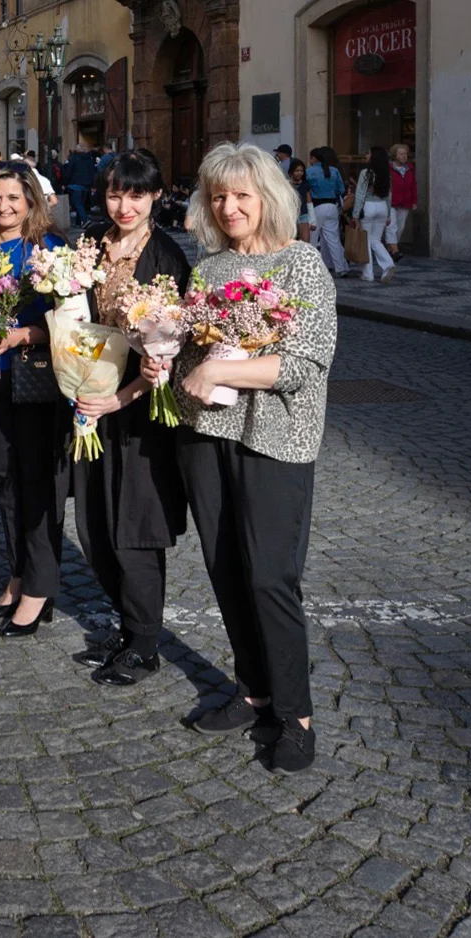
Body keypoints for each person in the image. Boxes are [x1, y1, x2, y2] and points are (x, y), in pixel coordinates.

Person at [171, 142, 337, 774]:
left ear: (267, 198)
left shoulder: (300, 264)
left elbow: (307, 361)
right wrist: (169, 356)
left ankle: (295, 715)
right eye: (218, 196)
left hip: (276, 437)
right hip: (207, 435)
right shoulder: (208, 268)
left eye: (242, 195)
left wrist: (216, 364)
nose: (230, 206)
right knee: (224, 568)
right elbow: (193, 357)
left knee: (270, 576)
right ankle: (253, 691)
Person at [70, 151, 191, 684]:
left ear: (155, 197)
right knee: (93, 523)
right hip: (91, 398)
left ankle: (145, 644)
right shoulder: (90, 242)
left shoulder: (166, 259)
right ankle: (126, 625)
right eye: (116, 193)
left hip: (142, 411)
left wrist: (118, 398)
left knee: (135, 529)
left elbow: (168, 353)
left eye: (136, 194)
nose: (124, 205)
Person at [0, 165, 69, 638]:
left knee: (35, 481)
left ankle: (39, 589)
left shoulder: (48, 249)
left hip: (34, 378)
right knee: (6, 478)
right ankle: (18, 573)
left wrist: (24, 334)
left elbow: (74, 321)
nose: (3, 206)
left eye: (13, 197)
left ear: (31, 201)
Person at [352, 146, 397, 283]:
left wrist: (355, 214)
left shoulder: (366, 173)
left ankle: (368, 274)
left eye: (368, 153)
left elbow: (360, 194)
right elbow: (389, 195)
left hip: (368, 207)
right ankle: (388, 263)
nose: (366, 155)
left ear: (374, 156)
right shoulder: (386, 174)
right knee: (375, 240)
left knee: (366, 241)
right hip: (382, 207)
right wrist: (388, 213)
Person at [305, 147, 350, 277]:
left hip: (316, 206)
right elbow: (341, 189)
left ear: (314, 158)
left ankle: (310, 268)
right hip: (332, 206)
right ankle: (341, 268)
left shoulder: (309, 171)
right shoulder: (334, 171)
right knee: (333, 239)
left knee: (312, 238)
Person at [387, 143, 417, 263]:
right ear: (395, 155)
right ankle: (395, 251)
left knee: (400, 227)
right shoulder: (389, 168)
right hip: (391, 202)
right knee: (392, 226)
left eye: (405, 154)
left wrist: (414, 200)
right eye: (401, 154)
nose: (404, 156)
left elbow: (413, 186)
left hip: (405, 202)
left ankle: (391, 247)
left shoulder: (409, 168)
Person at [63, 143, 98, 226]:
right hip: (86, 185)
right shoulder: (90, 159)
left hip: (75, 184)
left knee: (77, 203)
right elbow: (93, 172)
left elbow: (68, 172)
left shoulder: (73, 158)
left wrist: (65, 183)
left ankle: (84, 220)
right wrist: (92, 184)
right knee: (81, 203)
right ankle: (78, 222)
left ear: (77, 150)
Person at [288, 159, 312, 241]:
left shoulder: (305, 184)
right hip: (290, 215)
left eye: (301, 171)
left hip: (303, 215)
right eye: (297, 170)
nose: (299, 173)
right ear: (291, 171)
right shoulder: (286, 184)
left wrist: (312, 220)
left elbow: (309, 202)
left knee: (306, 241)